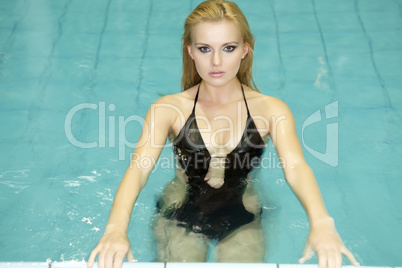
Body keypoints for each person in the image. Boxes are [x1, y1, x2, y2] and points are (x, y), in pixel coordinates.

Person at [88, 1, 360, 267]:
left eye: (228, 48)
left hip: (242, 216)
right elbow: (138, 169)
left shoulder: (270, 110)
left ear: (245, 49)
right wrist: (115, 228)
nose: (216, 61)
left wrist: (322, 223)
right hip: (180, 213)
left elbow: (296, 167)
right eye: (204, 48)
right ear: (190, 51)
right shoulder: (169, 109)